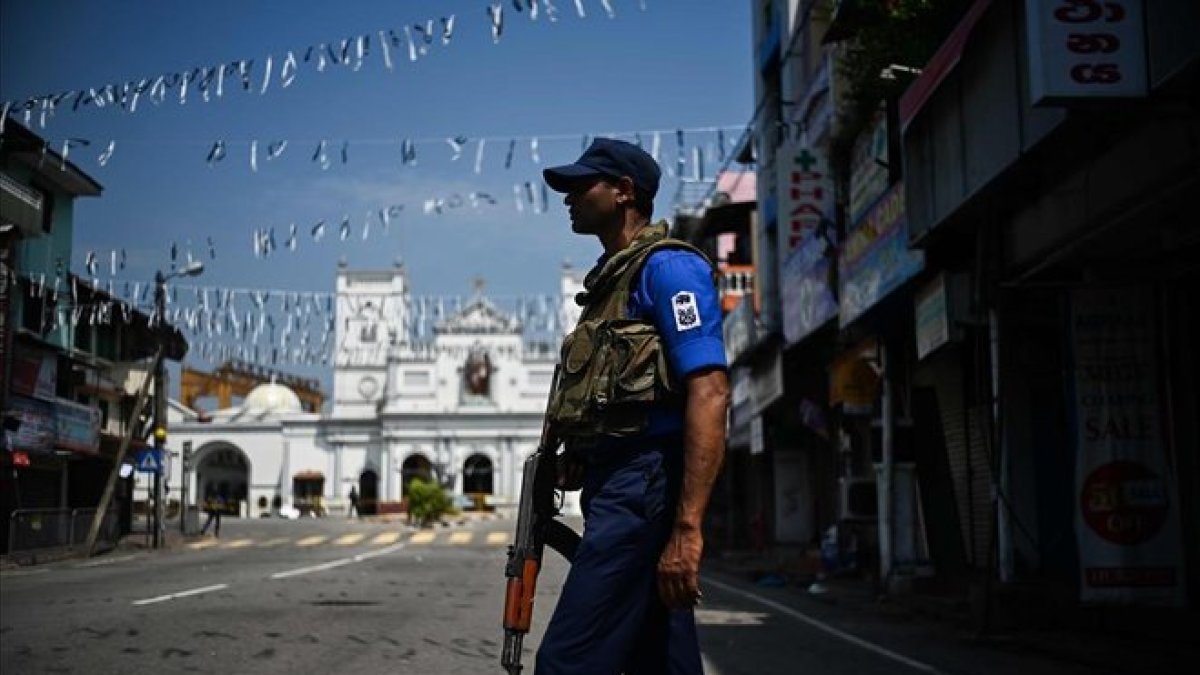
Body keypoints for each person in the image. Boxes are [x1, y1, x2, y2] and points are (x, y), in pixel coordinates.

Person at [535, 138, 730, 675]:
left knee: (567, 661)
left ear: (623, 193)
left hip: (643, 486)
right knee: (660, 660)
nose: (568, 198)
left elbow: (710, 390)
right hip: (616, 480)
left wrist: (688, 529)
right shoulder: (608, 283)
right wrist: (580, 448)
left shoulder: (667, 270)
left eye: (581, 186)